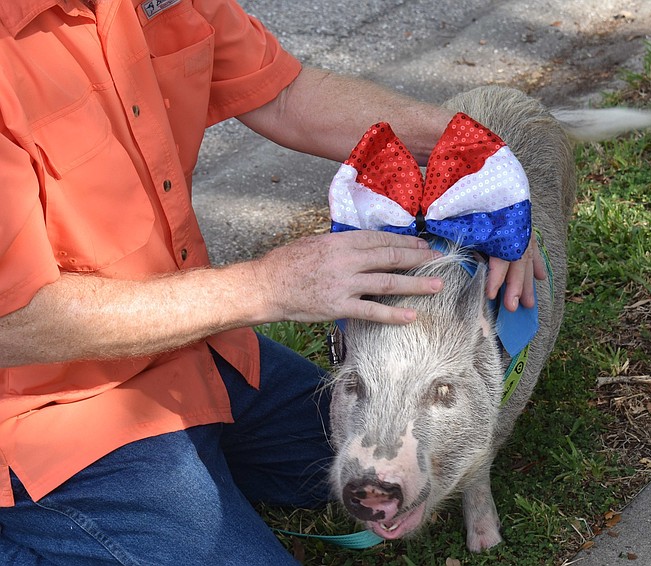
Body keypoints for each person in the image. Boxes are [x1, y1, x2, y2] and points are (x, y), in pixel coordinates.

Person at [0, 0, 542, 563]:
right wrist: (267, 287)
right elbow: (13, 324)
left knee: (369, 454)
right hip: (50, 418)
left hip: (191, 348)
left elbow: (286, 96)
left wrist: (486, 171)